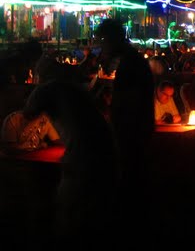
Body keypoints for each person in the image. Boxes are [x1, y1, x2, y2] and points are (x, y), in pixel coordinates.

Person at [22, 80, 119, 242]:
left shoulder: (44, 91)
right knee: (93, 209)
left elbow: (28, 113)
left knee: (71, 205)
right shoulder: (73, 94)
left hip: (84, 157)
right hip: (108, 153)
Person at [94, 18, 155, 234]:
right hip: (136, 128)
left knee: (131, 178)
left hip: (131, 131)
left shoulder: (130, 65)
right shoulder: (132, 60)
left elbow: (130, 102)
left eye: (102, 41)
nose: (100, 47)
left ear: (112, 39)